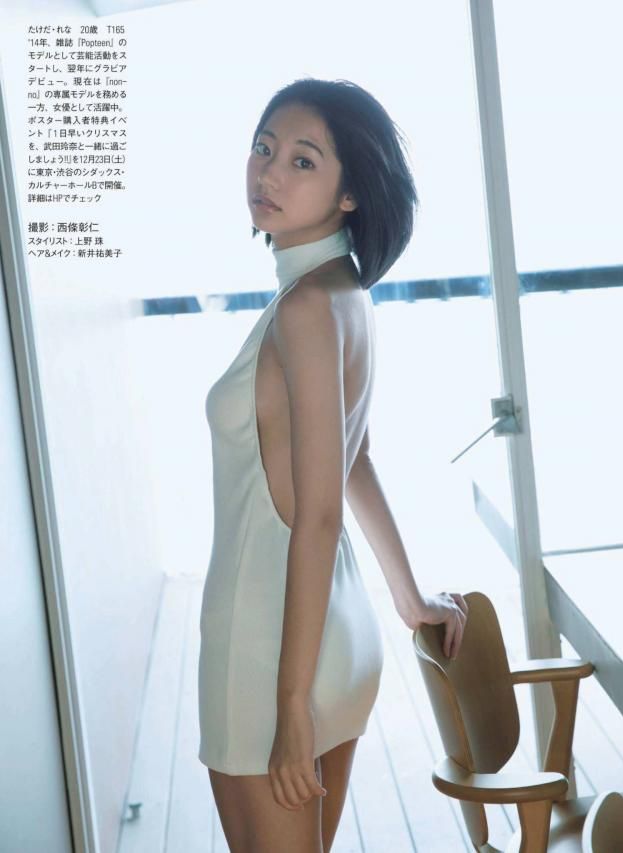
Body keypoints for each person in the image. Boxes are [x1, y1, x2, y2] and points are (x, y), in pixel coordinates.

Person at [198, 77, 468, 853]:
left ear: (350, 193)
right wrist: (409, 597)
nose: (269, 172)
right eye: (264, 147)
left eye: (303, 160)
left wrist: (289, 705)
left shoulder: (306, 308)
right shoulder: (343, 292)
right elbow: (358, 457)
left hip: (269, 644)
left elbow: (317, 517)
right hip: (337, 635)